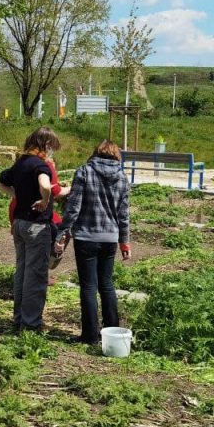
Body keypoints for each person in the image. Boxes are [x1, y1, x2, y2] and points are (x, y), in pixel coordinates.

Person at [56, 140, 131, 345]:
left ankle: (89, 336)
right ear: (116, 155)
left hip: (86, 237)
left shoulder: (84, 172)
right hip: (110, 238)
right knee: (106, 284)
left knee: (89, 287)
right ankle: (112, 332)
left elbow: (74, 206)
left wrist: (63, 231)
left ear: (96, 152)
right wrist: (125, 241)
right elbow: (123, 214)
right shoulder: (123, 177)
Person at [0, 127, 59, 331]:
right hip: (36, 225)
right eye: (52, 147)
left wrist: (15, 195)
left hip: (19, 224)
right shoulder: (40, 166)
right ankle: (31, 324)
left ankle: (19, 318)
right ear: (46, 145)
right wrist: (44, 200)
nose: (52, 152)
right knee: (36, 275)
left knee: (22, 272)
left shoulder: (21, 163)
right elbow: (46, 185)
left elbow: (1, 181)